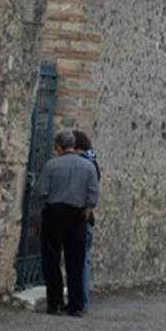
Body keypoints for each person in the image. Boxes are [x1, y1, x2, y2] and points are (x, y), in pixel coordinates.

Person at [37, 129, 99, 317]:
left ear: (58, 146)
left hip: (54, 213)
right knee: (75, 261)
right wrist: (86, 211)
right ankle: (75, 305)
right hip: (78, 215)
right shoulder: (88, 167)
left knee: (52, 259)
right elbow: (93, 195)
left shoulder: (51, 165)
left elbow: (42, 191)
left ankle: (54, 303)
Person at [73, 130, 101, 313]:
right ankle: (81, 300)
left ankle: (80, 301)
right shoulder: (93, 163)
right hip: (86, 217)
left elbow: (91, 195)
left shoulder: (84, 164)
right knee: (84, 260)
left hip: (81, 217)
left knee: (81, 260)